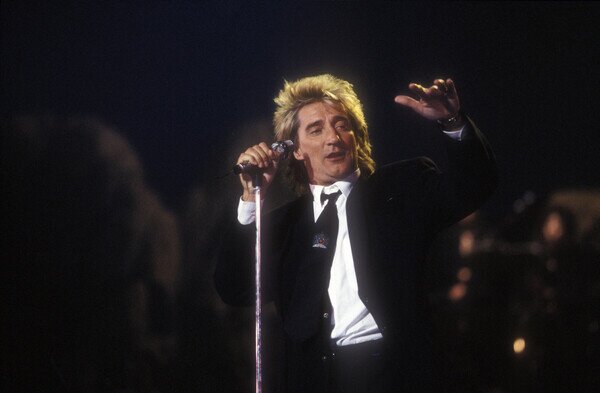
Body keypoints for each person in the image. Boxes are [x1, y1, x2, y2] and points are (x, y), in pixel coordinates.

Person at [214, 74, 497, 392]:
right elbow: (234, 289)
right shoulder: (285, 227)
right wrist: (252, 199)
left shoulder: (399, 188)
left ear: (356, 135)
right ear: (294, 149)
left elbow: (474, 186)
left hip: (394, 373)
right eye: (316, 129)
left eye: (342, 124)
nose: (333, 137)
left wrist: (452, 121)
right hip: (318, 378)